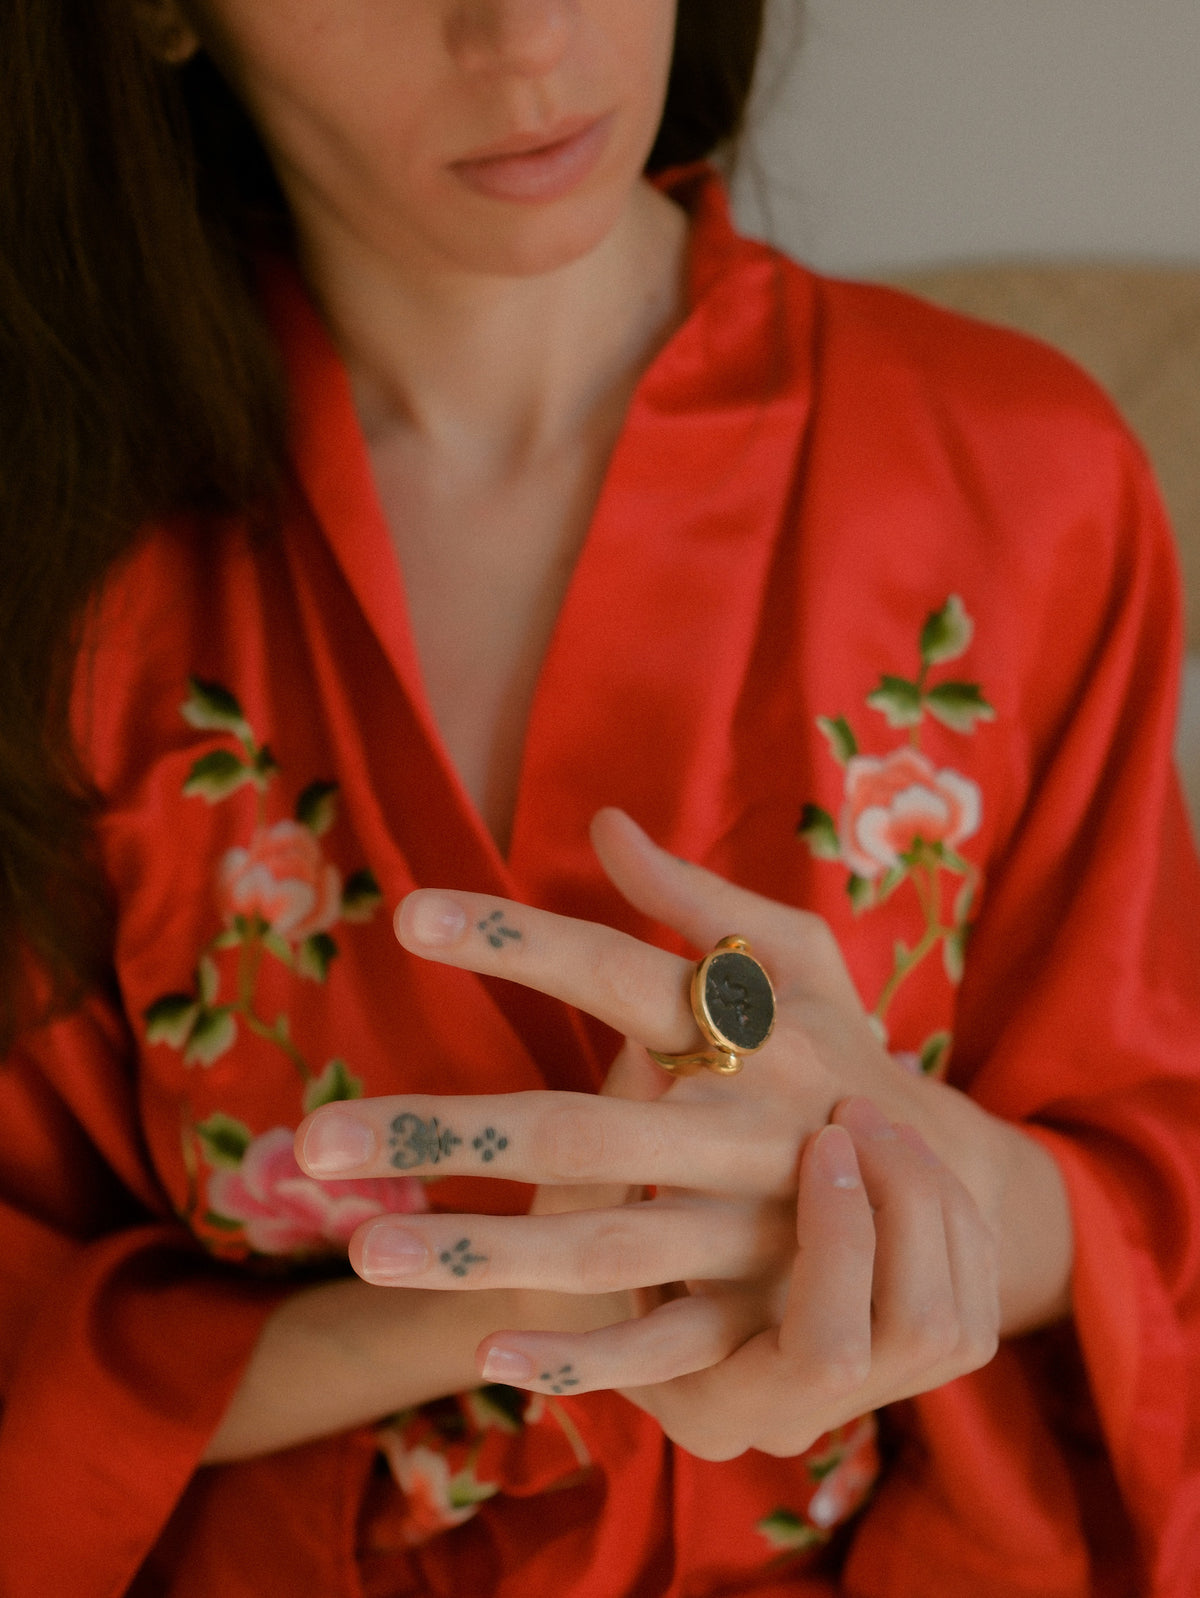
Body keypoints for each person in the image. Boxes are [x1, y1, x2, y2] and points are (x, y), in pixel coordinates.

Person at [1, 2, 1198, 1594]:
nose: (523, 33)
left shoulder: (1022, 478)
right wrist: (530, 1294)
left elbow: (1152, 1195)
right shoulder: (61, 573)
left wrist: (909, 1175)